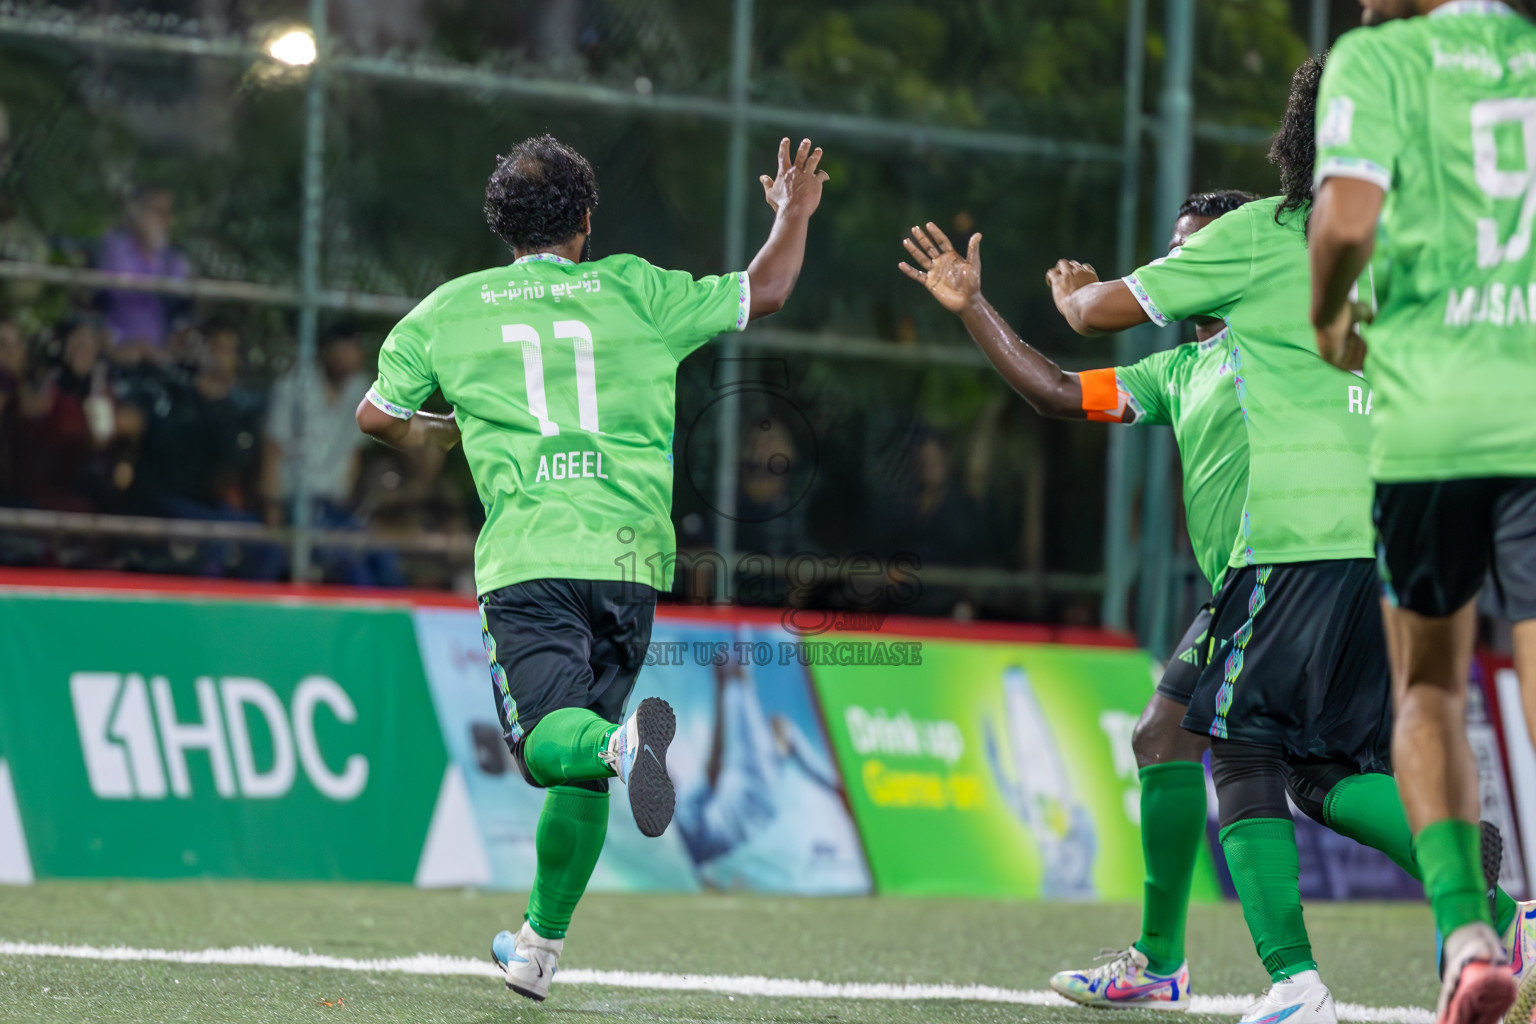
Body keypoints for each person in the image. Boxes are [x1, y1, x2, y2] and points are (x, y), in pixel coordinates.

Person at [996, 55, 1526, 1024]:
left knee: (1240, 753)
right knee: (1303, 768)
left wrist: (1072, 293)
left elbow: (1091, 316)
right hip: (1394, 544)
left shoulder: (1265, 240)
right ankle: (1487, 903)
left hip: (1291, 548)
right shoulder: (1416, 247)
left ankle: (1297, 985)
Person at [355, 133, 827, 1001]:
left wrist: (440, 426)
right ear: (584, 220)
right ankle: (537, 948)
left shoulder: (449, 310)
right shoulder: (637, 290)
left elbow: (377, 417)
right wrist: (792, 214)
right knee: (585, 760)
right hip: (630, 559)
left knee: (550, 745)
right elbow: (767, 288)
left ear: (502, 226)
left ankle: (621, 744)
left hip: (530, 559)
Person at [902, 188, 1254, 1006]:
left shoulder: (1277, 341)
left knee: (1246, 759)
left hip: (1296, 572)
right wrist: (974, 307)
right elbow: (1057, 389)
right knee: (1172, 738)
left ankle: (1496, 914)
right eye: (1173, 248)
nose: (1177, 263)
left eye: (1196, 249)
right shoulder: (1176, 370)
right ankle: (1162, 963)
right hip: (1247, 585)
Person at [1309, 4, 1536, 1023]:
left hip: (1431, 419)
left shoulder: (1379, 61)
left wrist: (1327, 316)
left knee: (1430, 689)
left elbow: (1349, 221)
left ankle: (1468, 932)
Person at [96, 186, 191, 358]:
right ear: (138, 214)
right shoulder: (116, 244)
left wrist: (158, 252)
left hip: (159, 355)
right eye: (159, 212)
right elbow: (118, 289)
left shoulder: (173, 257)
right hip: (116, 351)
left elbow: (179, 298)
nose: (167, 220)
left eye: (169, 213)